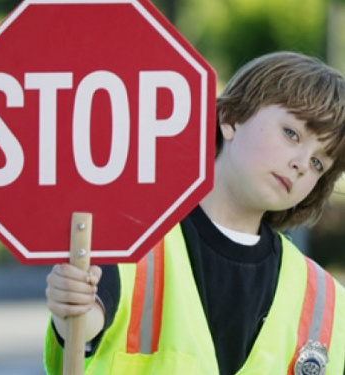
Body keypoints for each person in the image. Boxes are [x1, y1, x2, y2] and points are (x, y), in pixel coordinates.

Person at [43, 51, 345, 374]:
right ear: (230, 118)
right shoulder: (135, 242)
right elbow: (83, 327)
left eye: (318, 163)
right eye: (291, 134)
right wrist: (71, 308)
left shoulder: (327, 303)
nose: (301, 164)